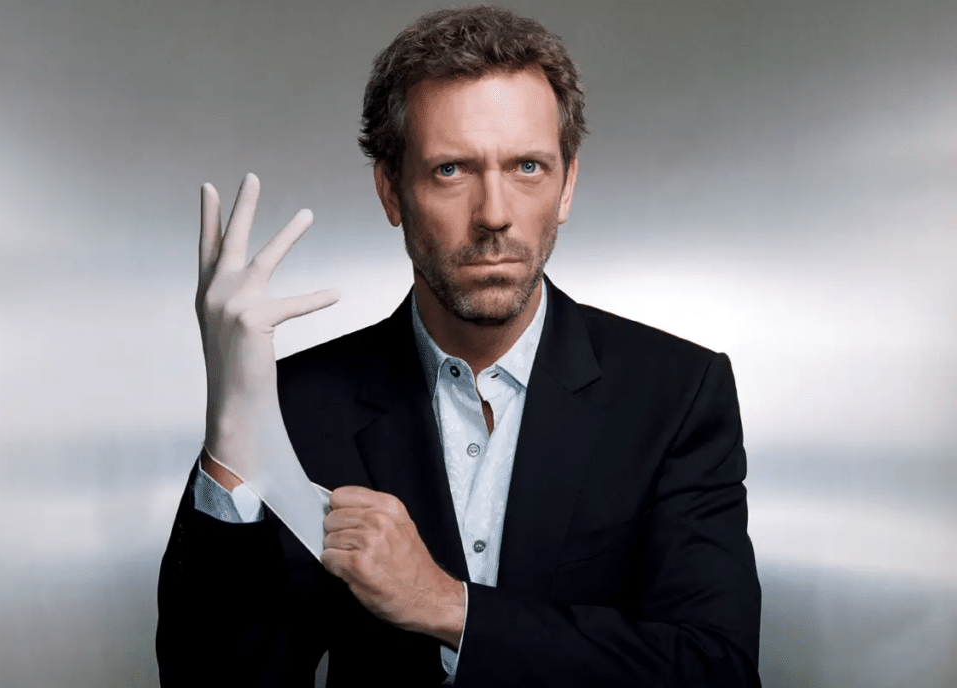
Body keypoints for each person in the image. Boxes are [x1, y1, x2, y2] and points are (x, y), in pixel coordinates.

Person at [157, 6, 761, 686]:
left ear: (567, 186)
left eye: (528, 166)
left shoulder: (677, 394)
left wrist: (446, 606)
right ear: (391, 191)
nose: (494, 214)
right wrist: (232, 441)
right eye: (451, 170)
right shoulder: (296, 404)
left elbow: (716, 670)